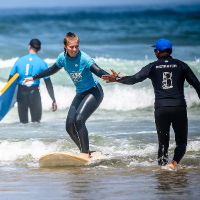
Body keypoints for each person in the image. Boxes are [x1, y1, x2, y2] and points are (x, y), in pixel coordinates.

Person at [102, 38, 200, 169]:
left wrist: (117, 78)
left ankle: (162, 170)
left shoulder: (152, 66)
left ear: (158, 52)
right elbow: (196, 84)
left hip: (161, 109)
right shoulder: (182, 65)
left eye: (155, 50)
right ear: (170, 51)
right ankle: (173, 163)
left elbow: (134, 79)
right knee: (181, 142)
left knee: (163, 144)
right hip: (178, 108)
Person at [22, 32, 109, 160]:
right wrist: (33, 77)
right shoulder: (62, 58)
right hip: (80, 93)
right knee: (69, 126)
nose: (74, 49)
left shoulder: (84, 58)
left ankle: (84, 153)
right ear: (65, 47)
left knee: (79, 120)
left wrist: (112, 77)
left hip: (94, 91)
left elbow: (98, 70)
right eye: (71, 47)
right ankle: (86, 152)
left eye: (76, 46)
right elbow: (51, 70)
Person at [9, 39, 57, 124]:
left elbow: (10, 82)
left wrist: (10, 99)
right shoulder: (42, 63)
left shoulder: (19, 61)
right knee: (36, 123)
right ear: (39, 49)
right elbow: (48, 83)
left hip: (21, 94)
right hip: (34, 93)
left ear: (29, 46)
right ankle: (34, 138)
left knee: (23, 123)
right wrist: (53, 100)